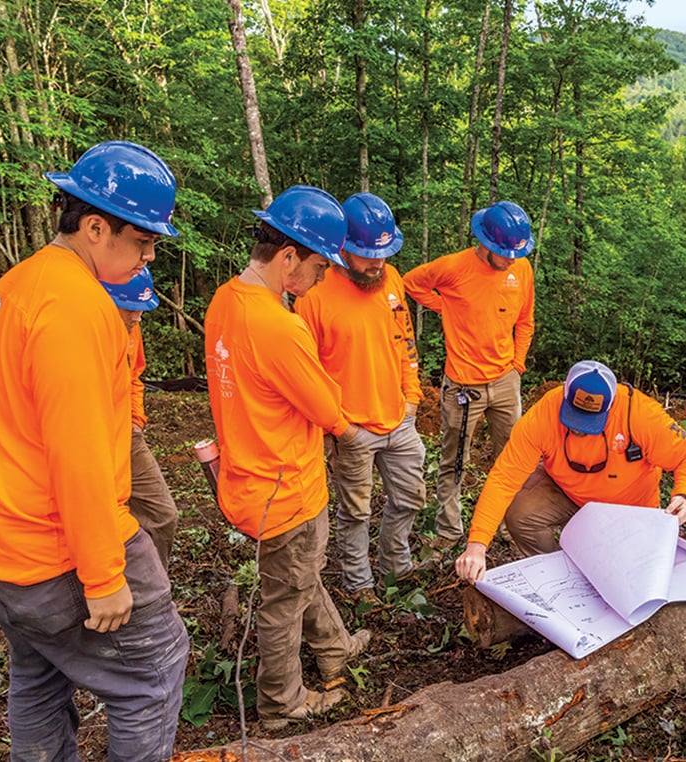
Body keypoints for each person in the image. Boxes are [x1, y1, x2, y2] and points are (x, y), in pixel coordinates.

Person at [0, 141, 189, 760]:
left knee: (38, 672)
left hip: (1, 541)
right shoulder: (77, 307)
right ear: (95, 226)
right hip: (51, 544)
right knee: (154, 671)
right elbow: (76, 454)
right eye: (142, 241)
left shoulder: (19, 284)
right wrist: (105, 576)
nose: (149, 256)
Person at [204, 185, 371, 731]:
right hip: (287, 488)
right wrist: (353, 435)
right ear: (289, 256)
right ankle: (282, 704)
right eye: (321, 265)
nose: (324, 278)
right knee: (285, 597)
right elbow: (330, 411)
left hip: (247, 478)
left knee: (299, 578)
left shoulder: (226, 300)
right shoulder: (280, 325)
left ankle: (336, 649)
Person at [455, 360, 686, 583]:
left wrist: (684, 495)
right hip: (568, 494)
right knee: (521, 514)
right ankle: (557, 577)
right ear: (565, 397)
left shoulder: (641, 414)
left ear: (610, 407)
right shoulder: (543, 416)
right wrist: (477, 545)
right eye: (574, 418)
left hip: (630, 510)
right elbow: (503, 479)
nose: (580, 430)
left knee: (622, 577)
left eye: (590, 422)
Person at [295, 192, 425, 604]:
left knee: (410, 497)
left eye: (383, 253)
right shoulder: (313, 294)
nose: (377, 263)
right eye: (367, 254)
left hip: (398, 417)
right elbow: (306, 371)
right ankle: (360, 585)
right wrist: (338, 427)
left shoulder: (392, 281)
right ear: (341, 248)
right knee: (355, 512)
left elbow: (405, 340)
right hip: (352, 426)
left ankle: (396, 567)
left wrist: (413, 396)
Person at [403, 200, 536, 558]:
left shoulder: (521, 269)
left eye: (516, 252)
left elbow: (525, 321)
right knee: (454, 460)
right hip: (463, 384)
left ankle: (508, 525)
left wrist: (518, 364)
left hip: (506, 380)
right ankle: (448, 529)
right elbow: (411, 283)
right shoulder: (453, 267)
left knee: (511, 458)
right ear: (485, 243)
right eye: (504, 252)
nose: (511, 259)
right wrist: (446, 306)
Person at [101, 266, 179, 570]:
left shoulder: (133, 330)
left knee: (163, 515)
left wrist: (135, 419)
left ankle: (152, 589)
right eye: (130, 308)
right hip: (88, 439)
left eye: (142, 310)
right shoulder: (83, 331)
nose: (137, 317)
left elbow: (135, 375)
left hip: (126, 435)